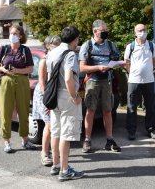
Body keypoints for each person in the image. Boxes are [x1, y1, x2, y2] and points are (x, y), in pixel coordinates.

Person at [46, 26, 84, 181]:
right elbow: (69, 78)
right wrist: (74, 96)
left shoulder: (52, 52)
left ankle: (56, 165)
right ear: (75, 39)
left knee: (55, 132)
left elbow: (49, 76)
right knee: (66, 135)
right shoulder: (69, 54)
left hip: (54, 96)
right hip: (66, 95)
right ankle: (64, 170)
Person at [79, 19, 121, 153]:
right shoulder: (87, 46)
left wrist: (118, 63)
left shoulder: (110, 45)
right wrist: (98, 67)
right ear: (95, 31)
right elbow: (82, 68)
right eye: (103, 31)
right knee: (90, 110)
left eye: (106, 31)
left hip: (107, 81)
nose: (105, 33)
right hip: (92, 81)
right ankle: (87, 139)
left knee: (108, 111)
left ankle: (109, 139)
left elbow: (115, 58)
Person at [0, 25, 36, 153]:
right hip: (6, 80)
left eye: (15, 33)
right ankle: (7, 142)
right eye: (11, 33)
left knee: (23, 111)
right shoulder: (4, 49)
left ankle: (25, 140)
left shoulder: (25, 50)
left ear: (21, 36)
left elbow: (30, 68)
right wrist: (3, 69)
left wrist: (17, 70)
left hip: (22, 80)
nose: (12, 35)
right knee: (5, 112)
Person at [124, 24, 155, 140]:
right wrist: (132, 72)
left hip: (149, 80)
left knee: (150, 106)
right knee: (132, 106)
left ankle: (151, 129)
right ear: (135, 33)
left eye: (144, 30)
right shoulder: (130, 46)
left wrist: (147, 71)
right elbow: (126, 62)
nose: (142, 32)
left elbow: (154, 61)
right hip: (133, 80)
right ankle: (131, 131)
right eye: (139, 30)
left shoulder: (152, 46)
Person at [32, 35, 61, 166]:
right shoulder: (44, 60)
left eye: (59, 43)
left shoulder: (58, 58)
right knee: (49, 125)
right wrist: (47, 101)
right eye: (55, 43)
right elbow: (42, 84)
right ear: (48, 46)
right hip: (45, 95)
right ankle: (44, 153)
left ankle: (55, 151)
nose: (58, 46)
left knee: (56, 125)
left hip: (55, 94)